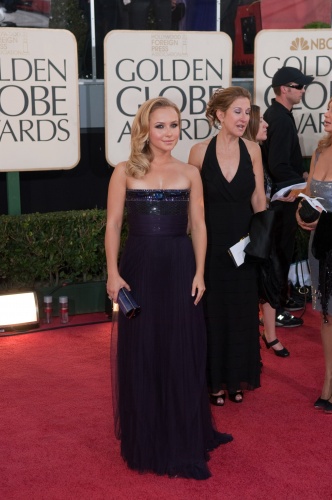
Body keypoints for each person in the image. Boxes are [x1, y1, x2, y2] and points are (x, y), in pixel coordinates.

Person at [105, 97, 233, 479]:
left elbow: (200, 225)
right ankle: (149, 436)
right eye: (160, 126)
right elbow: (112, 225)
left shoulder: (190, 172)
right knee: (144, 347)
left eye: (174, 125)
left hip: (180, 267)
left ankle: (185, 433)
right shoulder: (124, 170)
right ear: (145, 129)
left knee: (182, 347)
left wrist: (200, 273)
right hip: (140, 267)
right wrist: (112, 273)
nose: (169, 133)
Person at [188, 87, 266, 405]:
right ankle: (214, 381)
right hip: (211, 244)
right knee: (213, 314)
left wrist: (264, 241)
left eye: (247, 112)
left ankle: (236, 379)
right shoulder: (198, 152)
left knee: (242, 314)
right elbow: (194, 209)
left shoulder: (253, 150)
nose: (244, 118)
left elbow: (258, 197)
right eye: (237, 111)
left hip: (244, 247)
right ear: (220, 115)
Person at [261, 66, 314, 328]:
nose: (304, 90)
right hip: (283, 200)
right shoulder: (280, 119)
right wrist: (301, 185)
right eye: (300, 86)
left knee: (282, 252)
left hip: (285, 195)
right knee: (279, 254)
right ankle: (277, 309)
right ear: (285, 88)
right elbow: (277, 164)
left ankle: (281, 299)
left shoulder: (280, 115)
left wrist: (302, 176)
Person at [296, 94, 332, 414]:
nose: (327, 113)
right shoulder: (321, 149)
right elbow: (310, 193)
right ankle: (328, 380)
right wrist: (301, 209)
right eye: (330, 107)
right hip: (319, 245)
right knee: (324, 313)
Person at [244, 104, 289, 357]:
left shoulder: (260, 152)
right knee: (251, 285)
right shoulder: (244, 155)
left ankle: (270, 335)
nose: (266, 125)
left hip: (266, 228)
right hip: (248, 232)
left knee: (271, 281)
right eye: (261, 121)